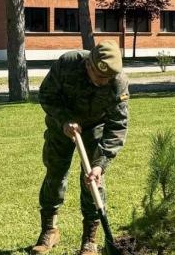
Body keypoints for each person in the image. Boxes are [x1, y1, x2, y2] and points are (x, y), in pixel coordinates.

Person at [31, 41, 129, 255]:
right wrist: (64, 120)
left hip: (96, 127)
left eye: (108, 79)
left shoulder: (118, 81)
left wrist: (101, 164)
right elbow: (46, 95)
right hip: (62, 126)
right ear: (88, 65)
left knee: (92, 181)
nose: (104, 83)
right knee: (55, 174)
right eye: (100, 78)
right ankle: (49, 230)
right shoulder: (68, 64)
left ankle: (90, 240)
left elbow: (118, 125)